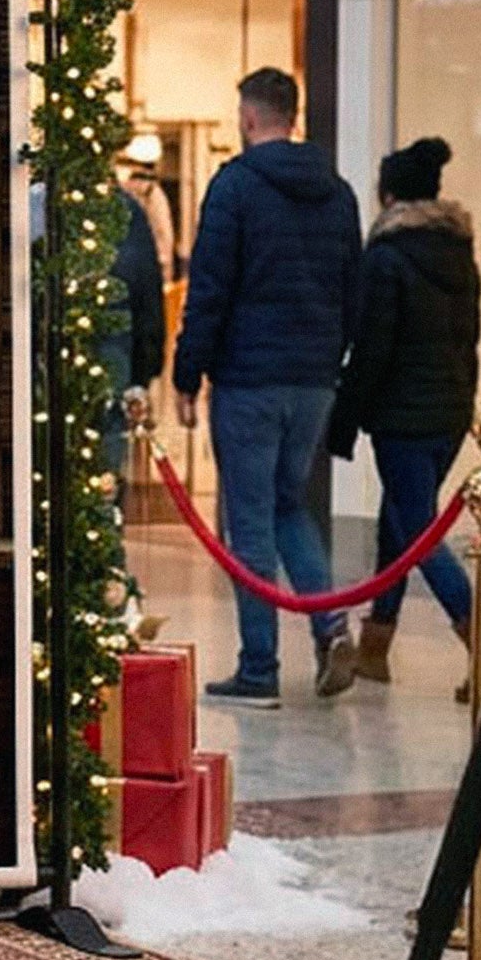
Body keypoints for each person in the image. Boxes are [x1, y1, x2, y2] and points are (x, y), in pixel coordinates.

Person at [171, 66, 363, 702]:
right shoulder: (337, 192)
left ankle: (259, 669)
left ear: (249, 118)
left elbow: (210, 289)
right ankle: (329, 623)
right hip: (313, 379)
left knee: (248, 524)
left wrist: (186, 373)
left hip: (249, 379)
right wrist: (329, 361)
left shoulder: (236, 186)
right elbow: (351, 291)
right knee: (288, 507)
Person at [331, 136, 479, 683]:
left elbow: (372, 349)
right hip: (449, 412)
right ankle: (376, 650)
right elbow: (470, 340)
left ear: (388, 195)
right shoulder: (459, 254)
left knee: (415, 531)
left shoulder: (387, 257)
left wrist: (344, 419)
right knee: (397, 527)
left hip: (403, 418)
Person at [100, 163, 168, 478]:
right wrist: (146, 367)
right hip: (116, 347)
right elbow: (147, 291)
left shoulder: (39, 203)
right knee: (109, 454)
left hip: (60, 352)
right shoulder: (127, 213)